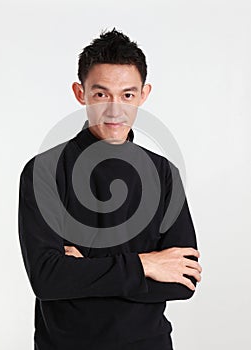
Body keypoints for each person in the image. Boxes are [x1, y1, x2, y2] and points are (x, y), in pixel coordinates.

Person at [18, 28, 202, 350]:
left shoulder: (163, 174)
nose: (115, 110)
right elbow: (47, 279)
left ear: (144, 95)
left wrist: (82, 269)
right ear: (81, 93)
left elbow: (184, 281)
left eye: (127, 95)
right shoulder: (44, 171)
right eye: (101, 94)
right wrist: (147, 264)